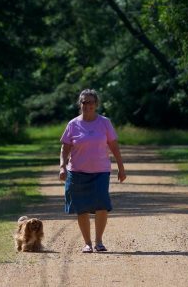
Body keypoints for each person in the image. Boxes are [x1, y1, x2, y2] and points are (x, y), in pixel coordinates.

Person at [59, 89, 126, 253]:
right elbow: (64, 148)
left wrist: (121, 167)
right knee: (81, 208)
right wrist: (62, 166)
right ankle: (87, 243)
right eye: (84, 102)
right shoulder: (73, 124)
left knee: (101, 205)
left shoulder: (104, 122)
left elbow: (114, 147)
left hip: (100, 171)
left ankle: (99, 241)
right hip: (77, 171)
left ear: (96, 104)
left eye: (90, 102)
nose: (87, 105)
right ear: (80, 104)